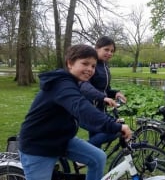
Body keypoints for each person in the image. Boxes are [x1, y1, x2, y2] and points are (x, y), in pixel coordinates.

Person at [18, 44, 132, 180]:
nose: (90, 69)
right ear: (70, 63)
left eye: (93, 66)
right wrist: (116, 126)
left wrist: (111, 122)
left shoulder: (74, 83)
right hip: (39, 146)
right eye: (85, 64)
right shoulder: (62, 85)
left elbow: (82, 114)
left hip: (61, 139)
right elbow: (82, 108)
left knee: (98, 157)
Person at [79, 36, 127, 148]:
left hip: (99, 109)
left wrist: (115, 93)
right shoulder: (91, 65)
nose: (109, 53)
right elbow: (84, 86)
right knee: (114, 130)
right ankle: (81, 151)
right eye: (106, 49)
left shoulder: (105, 66)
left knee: (97, 149)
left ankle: (89, 156)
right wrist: (103, 97)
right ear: (97, 48)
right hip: (88, 109)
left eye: (112, 51)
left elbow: (105, 89)